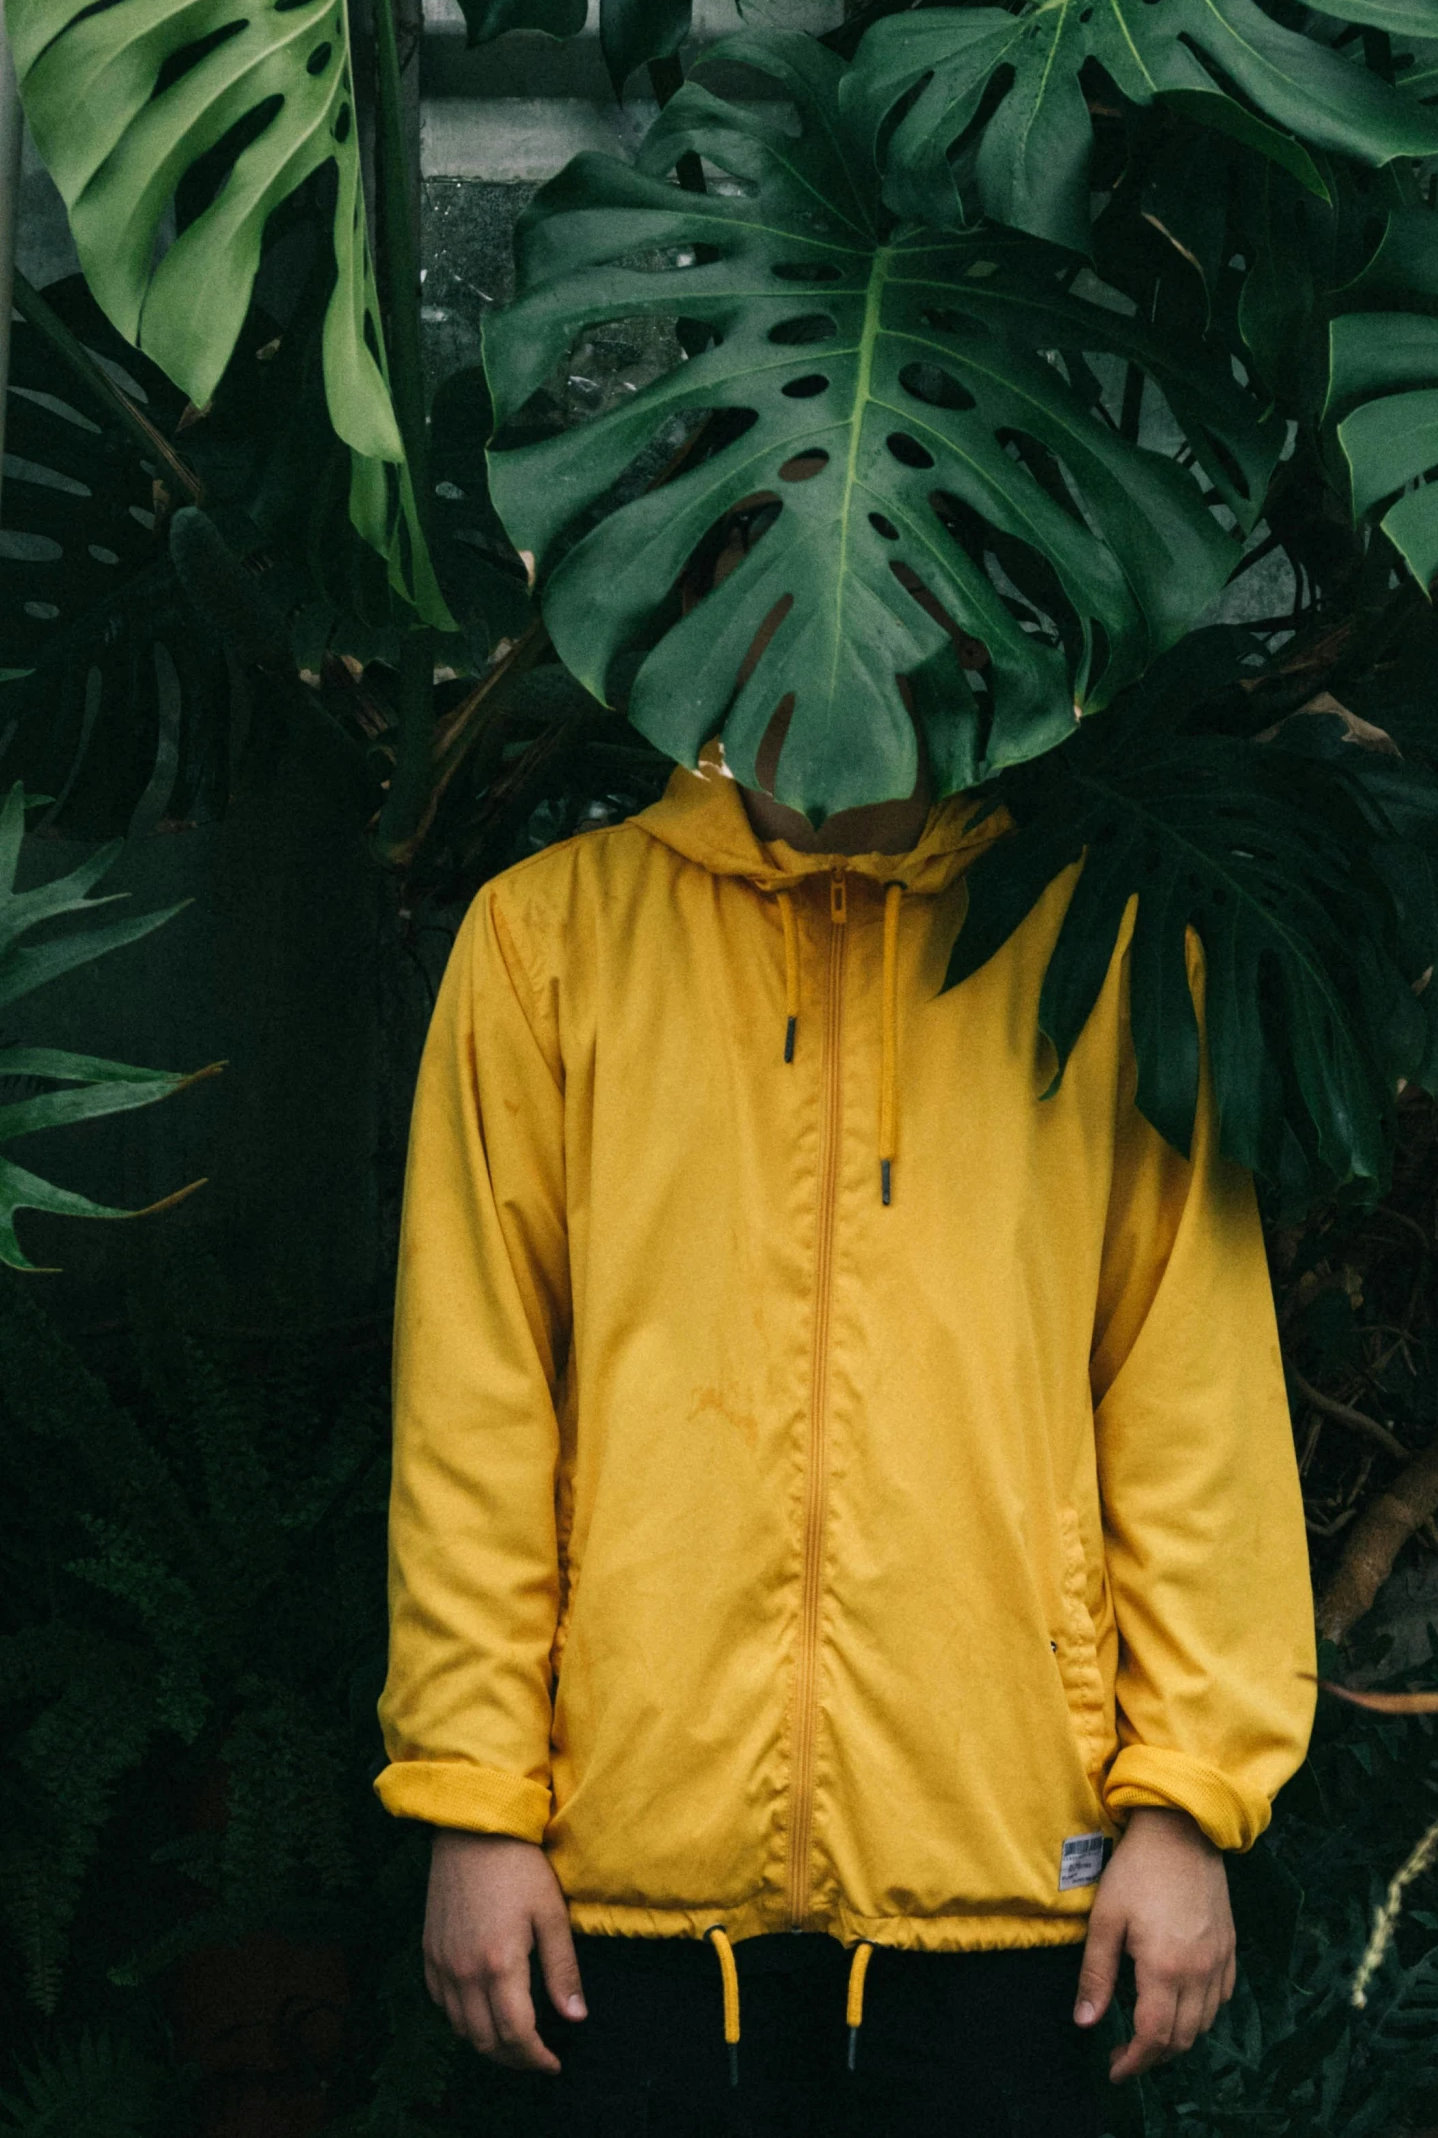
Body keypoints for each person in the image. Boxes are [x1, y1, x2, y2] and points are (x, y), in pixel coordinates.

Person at [373, 530, 1317, 2135]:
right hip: (626, 1881)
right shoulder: (548, 945)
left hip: (1018, 1875)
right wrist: (474, 1804)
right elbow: (474, 1407)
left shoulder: (1099, 951)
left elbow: (1191, 1401)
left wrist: (1186, 1810)